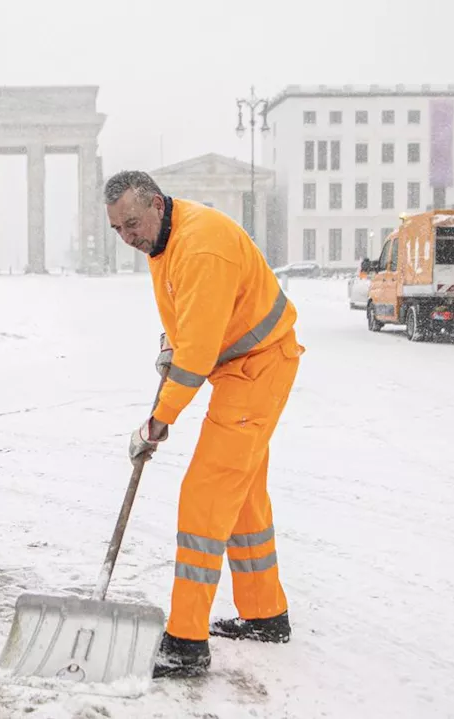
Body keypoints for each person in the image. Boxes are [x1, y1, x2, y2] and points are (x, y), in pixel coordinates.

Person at [104, 170, 305, 679]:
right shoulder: (163, 241)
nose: (128, 237)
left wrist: (156, 423)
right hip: (242, 367)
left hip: (257, 368)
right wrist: (171, 342)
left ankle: (187, 641)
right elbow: (188, 319)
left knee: (205, 494)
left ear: (154, 203)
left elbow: (196, 357)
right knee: (242, 497)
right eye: (117, 230)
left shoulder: (201, 246)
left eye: (131, 223)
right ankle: (265, 614)